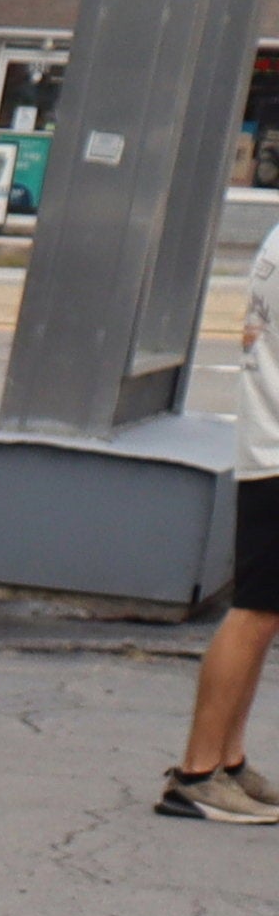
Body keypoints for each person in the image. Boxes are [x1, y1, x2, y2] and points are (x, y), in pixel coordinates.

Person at [165, 211, 279, 821]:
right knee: (254, 613)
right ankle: (197, 773)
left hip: (267, 445)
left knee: (264, 613)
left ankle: (228, 763)